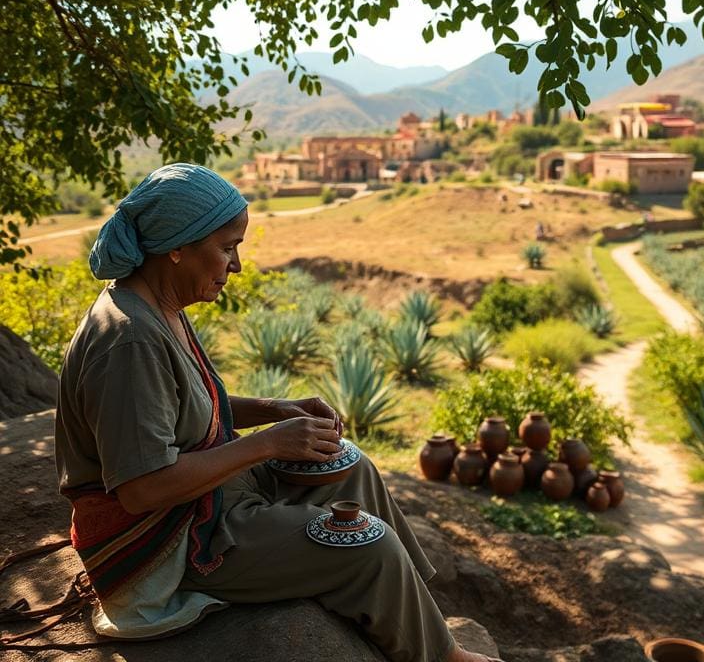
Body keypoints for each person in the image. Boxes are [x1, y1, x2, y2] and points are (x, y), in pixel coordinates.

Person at [55, 163, 498, 662]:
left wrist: (275, 411)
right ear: (176, 248)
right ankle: (438, 656)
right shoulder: (129, 340)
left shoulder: (160, 306)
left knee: (345, 464)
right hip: (166, 544)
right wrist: (268, 443)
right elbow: (142, 490)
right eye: (226, 248)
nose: (237, 265)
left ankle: (415, 621)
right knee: (368, 546)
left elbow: (187, 410)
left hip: (201, 502)